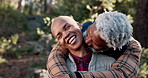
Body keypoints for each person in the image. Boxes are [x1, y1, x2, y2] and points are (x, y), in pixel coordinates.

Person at [47, 11, 142, 78]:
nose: (86, 40)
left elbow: (121, 74)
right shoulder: (85, 28)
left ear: (107, 46)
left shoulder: (121, 53)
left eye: (95, 43)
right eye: (88, 33)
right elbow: (56, 53)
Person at [50, 16, 115, 72]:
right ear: (60, 42)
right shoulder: (58, 70)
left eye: (67, 27)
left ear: (79, 25)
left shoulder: (110, 63)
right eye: (60, 36)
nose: (66, 35)